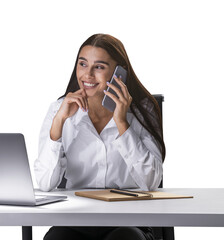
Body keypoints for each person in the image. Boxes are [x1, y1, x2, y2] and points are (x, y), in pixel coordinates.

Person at [34, 33, 165, 240]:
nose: (87, 75)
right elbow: (44, 183)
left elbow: (151, 182)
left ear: (119, 73)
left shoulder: (143, 111)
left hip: (129, 222)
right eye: (83, 64)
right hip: (75, 221)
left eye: (100, 67)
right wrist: (58, 124)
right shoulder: (59, 109)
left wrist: (122, 123)